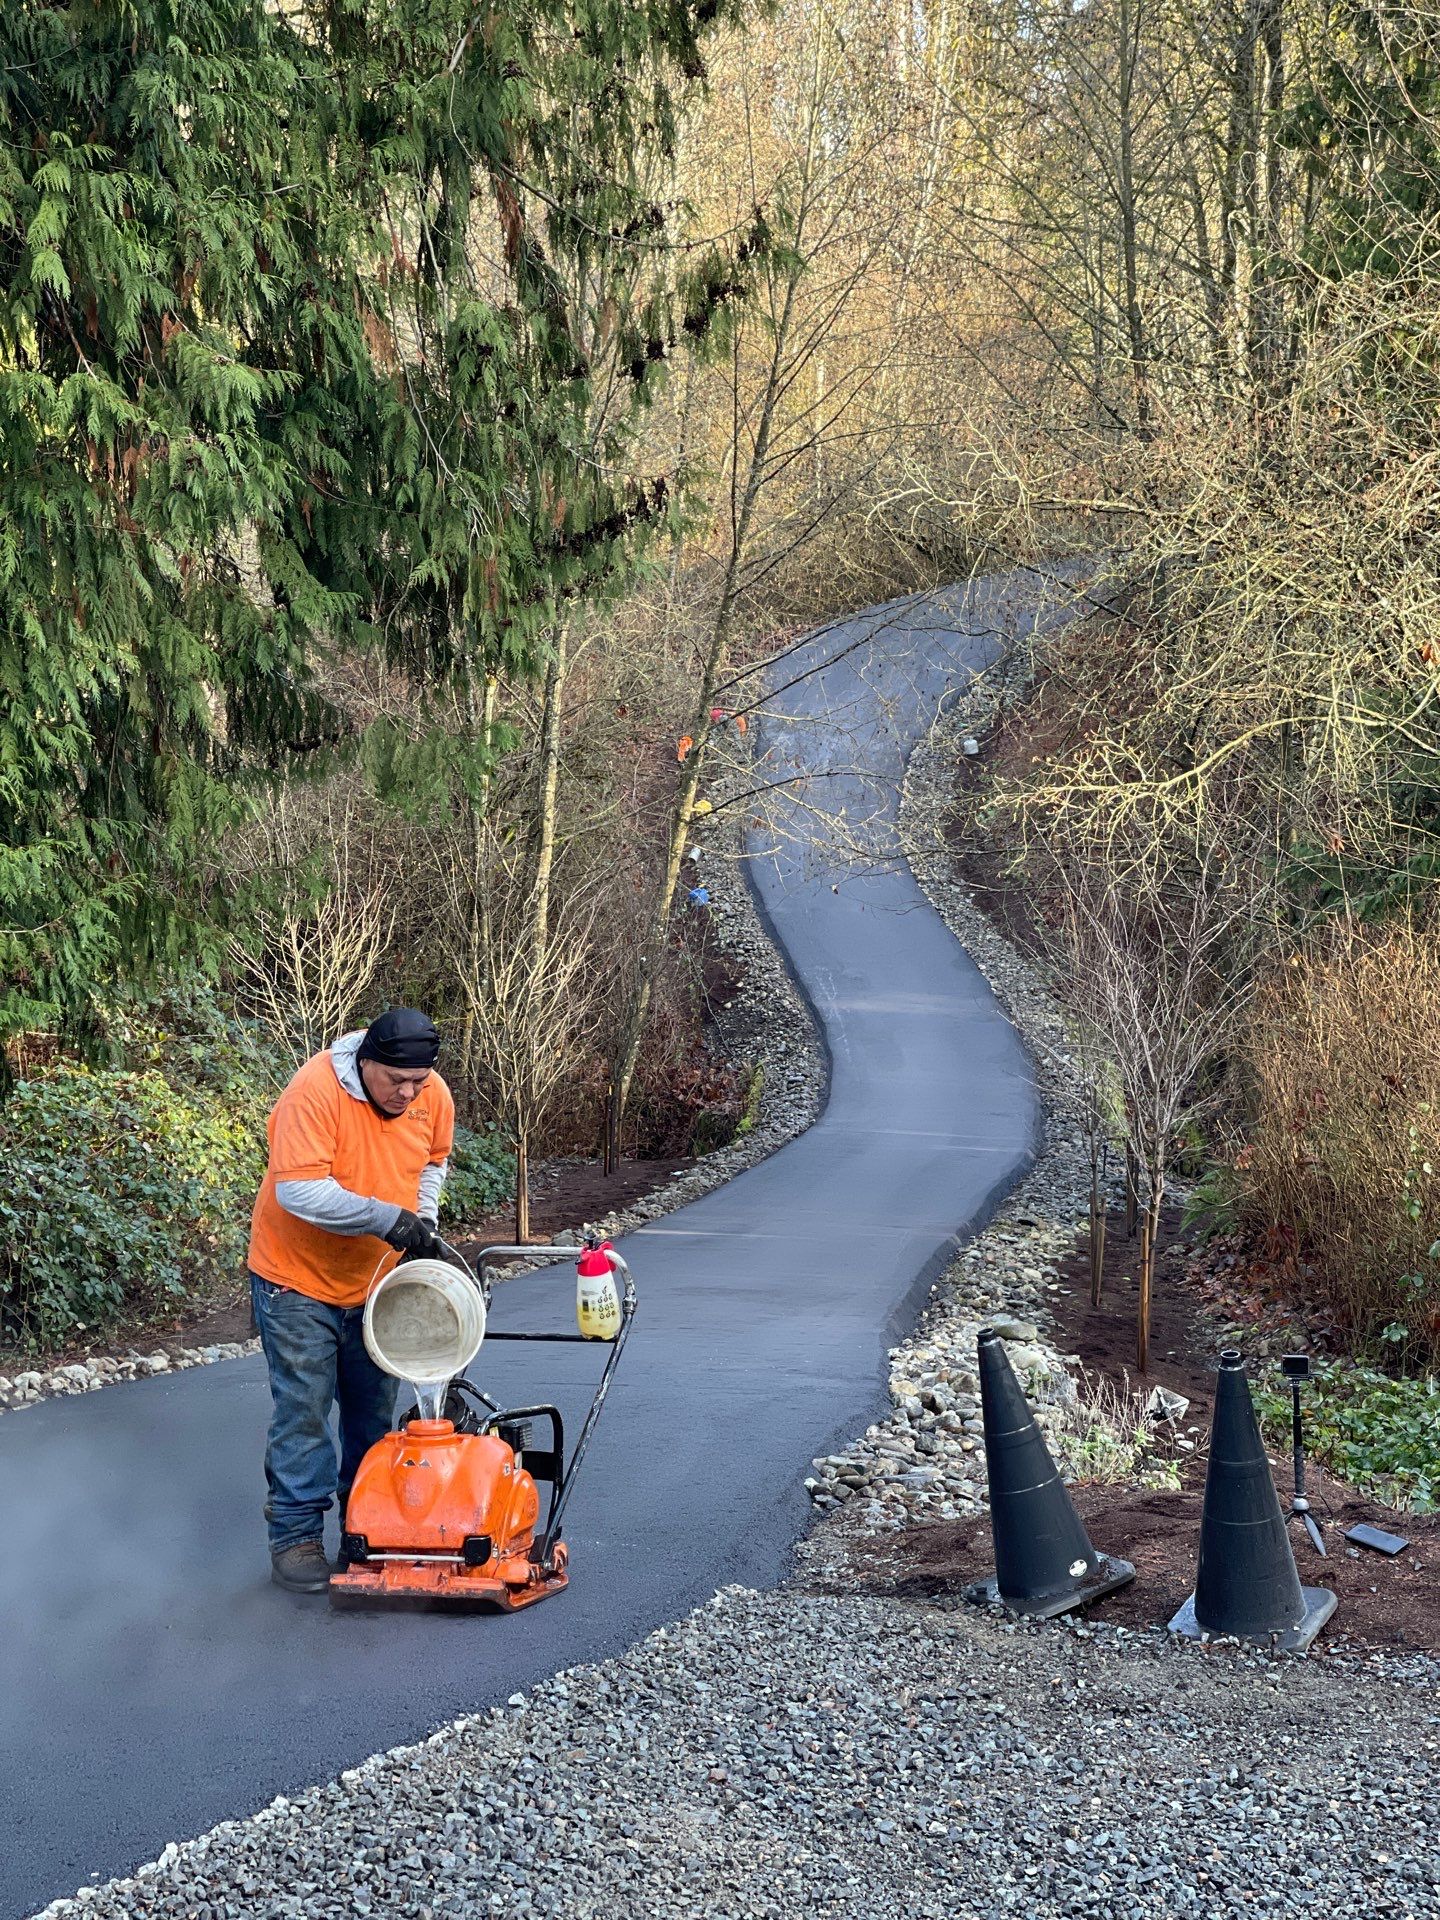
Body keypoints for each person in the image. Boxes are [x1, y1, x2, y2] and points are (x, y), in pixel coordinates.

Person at [247, 1007, 456, 1593]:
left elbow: (432, 1162)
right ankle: (295, 1538)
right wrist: (388, 1219)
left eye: (418, 1081)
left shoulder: (432, 1095)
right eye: (397, 1081)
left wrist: (422, 1221)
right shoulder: (315, 1091)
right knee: (305, 1411)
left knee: (371, 1416)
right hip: (295, 1280)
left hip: (374, 1284)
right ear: (366, 1062)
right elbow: (298, 1191)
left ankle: (364, 1534)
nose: (408, 1094)